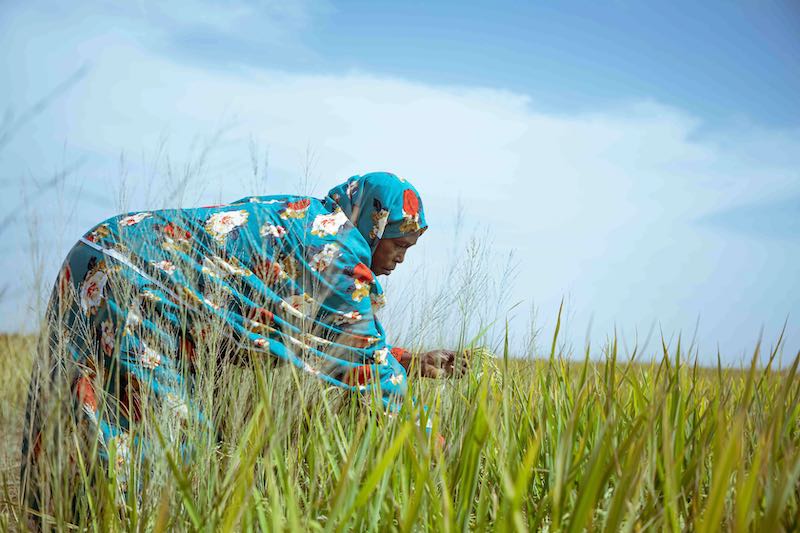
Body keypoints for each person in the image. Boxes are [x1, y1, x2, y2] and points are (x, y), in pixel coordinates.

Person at [20, 171, 465, 518]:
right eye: (399, 243)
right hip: (136, 279)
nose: (401, 258)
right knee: (175, 441)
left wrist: (409, 359)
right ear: (375, 221)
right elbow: (369, 368)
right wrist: (440, 449)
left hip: (102, 253)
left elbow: (331, 338)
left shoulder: (313, 219)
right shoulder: (341, 254)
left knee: (95, 405)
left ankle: (57, 510)